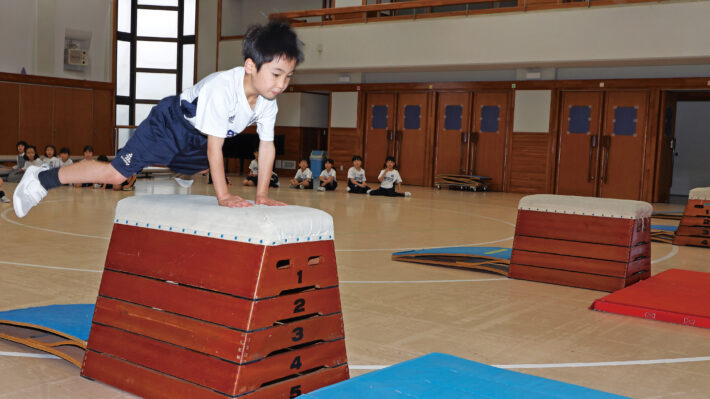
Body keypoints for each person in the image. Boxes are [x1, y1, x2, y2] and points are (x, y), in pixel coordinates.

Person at [13, 20, 303, 218]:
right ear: (250, 66)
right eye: (276, 74)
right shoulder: (222, 90)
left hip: (198, 139)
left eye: (288, 76)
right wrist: (224, 196)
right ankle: (41, 178)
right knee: (118, 174)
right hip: (170, 124)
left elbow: (267, 146)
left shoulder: (267, 101)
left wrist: (262, 195)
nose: (281, 84)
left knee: (203, 166)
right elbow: (215, 149)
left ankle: (182, 166)